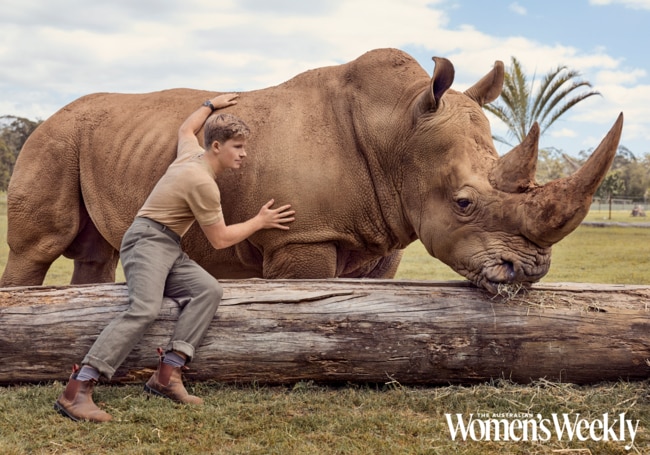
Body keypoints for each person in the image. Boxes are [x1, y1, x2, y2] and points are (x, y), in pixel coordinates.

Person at [54, 93, 295, 422]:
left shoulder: (191, 154)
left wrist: (211, 105)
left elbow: (186, 129)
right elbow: (220, 238)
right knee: (144, 308)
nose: (243, 154)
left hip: (168, 245)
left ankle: (167, 376)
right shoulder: (202, 183)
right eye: (237, 146)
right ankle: (77, 390)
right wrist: (260, 221)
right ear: (216, 147)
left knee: (208, 290)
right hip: (146, 241)